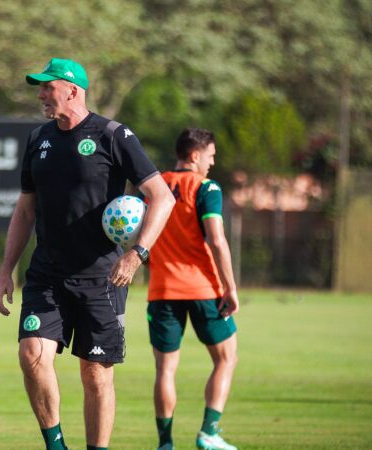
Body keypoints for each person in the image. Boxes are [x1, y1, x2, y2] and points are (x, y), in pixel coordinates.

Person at [0, 57, 175, 450]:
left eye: (47, 87)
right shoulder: (38, 139)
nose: (41, 95)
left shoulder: (113, 135)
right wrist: (6, 268)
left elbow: (162, 197)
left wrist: (137, 253)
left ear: (72, 90)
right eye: (40, 88)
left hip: (103, 275)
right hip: (47, 272)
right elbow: (25, 209)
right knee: (31, 356)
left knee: (96, 375)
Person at [145, 128, 240, 450]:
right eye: (211, 156)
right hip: (203, 288)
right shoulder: (206, 187)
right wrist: (230, 287)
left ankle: (165, 444)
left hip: (162, 290)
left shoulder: (153, 186)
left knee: (165, 370)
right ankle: (209, 433)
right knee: (226, 357)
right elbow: (216, 239)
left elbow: (138, 233)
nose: (212, 163)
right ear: (195, 155)